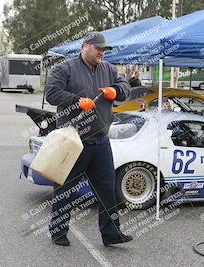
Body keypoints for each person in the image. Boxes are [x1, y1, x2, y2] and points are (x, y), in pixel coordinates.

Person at [45, 32, 132, 246]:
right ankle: (58, 232)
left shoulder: (109, 69)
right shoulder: (65, 68)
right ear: (85, 47)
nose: (102, 53)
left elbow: (126, 89)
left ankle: (112, 234)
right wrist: (76, 101)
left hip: (101, 141)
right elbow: (52, 93)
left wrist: (116, 90)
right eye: (98, 49)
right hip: (73, 141)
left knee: (107, 191)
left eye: (104, 50)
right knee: (65, 189)